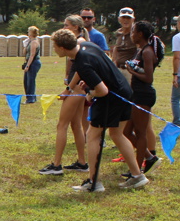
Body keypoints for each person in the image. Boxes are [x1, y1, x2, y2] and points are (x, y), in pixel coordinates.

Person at [51, 28, 147, 192]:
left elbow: (102, 91)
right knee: (117, 134)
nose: (54, 50)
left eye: (54, 47)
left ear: (62, 48)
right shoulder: (87, 47)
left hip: (110, 99)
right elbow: (85, 70)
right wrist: (70, 88)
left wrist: (90, 93)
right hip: (125, 91)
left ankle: (94, 182)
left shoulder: (82, 63)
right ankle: (138, 176)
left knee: (92, 135)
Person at [38, 16, 89, 176]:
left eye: (67, 25)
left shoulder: (78, 43)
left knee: (62, 125)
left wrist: (68, 89)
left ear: (76, 27)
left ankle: (56, 165)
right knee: (76, 125)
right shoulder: (79, 42)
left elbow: (80, 69)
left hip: (76, 89)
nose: (64, 27)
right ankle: (82, 162)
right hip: (77, 88)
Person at [124, 21, 160, 173]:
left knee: (140, 133)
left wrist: (131, 71)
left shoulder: (147, 52)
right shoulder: (141, 50)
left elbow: (148, 78)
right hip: (136, 94)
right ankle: (149, 157)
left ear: (140, 34)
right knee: (126, 132)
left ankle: (137, 171)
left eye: (133, 32)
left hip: (144, 95)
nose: (131, 35)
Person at [21, 25, 41, 104]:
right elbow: (24, 53)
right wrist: (25, 45)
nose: (28, 33)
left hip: (34, 63)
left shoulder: (34, 42)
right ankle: (32, 97)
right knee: (26, 81)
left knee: (30, 81)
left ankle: (30, 99)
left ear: (31, 33)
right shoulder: (30, 42)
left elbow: (32, 55)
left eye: (29, 31)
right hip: (30, 62)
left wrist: (27, 66)